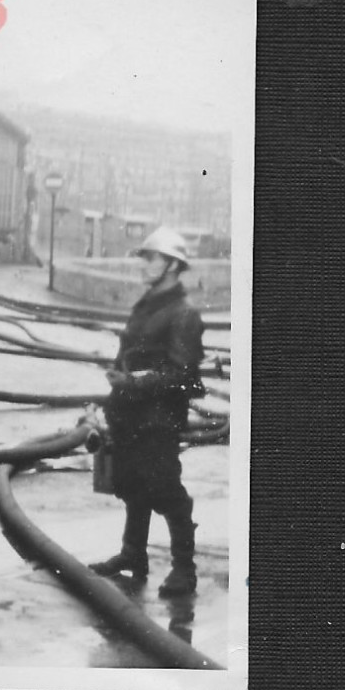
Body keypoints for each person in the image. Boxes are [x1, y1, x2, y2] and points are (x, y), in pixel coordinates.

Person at [90, 225, 206, 597]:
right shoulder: (146, 307)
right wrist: (112, 393)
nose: (144, 264)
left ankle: (184, 570)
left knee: (165, 490)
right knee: (132, 485)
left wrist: (135, 384)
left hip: (159, 419)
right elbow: (127, 355)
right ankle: (133, 554)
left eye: (150, 258)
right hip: (129, 414)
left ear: (172, 265)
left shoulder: (183, 314)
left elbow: (183, 375)